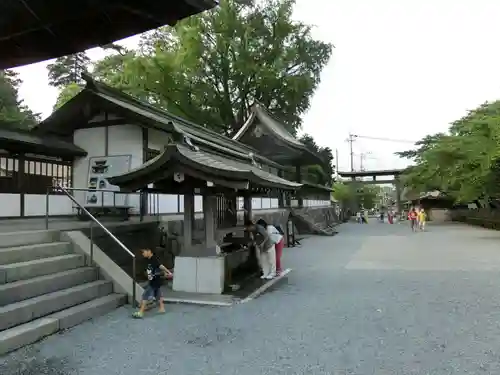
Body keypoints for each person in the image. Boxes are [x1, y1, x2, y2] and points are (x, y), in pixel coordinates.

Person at [133, 248, 172, 319]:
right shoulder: (149, 260)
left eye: (144, 252)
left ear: (149, 251)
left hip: (154, 280)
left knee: (145, 294)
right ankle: (162, 308)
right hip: (154, 280)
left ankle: (141, 312)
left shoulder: (153, 259)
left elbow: (160, 266)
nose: (143, 254)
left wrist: (168, 272)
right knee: (157, 293)